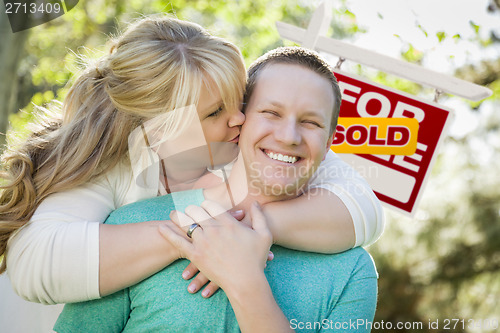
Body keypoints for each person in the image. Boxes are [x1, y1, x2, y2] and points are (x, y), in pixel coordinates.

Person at [0, 15, 382, 331]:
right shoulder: (109, 173)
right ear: (158, 132)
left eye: (239, 100)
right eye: (216, 112)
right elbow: (34, 265)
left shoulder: (251, 145)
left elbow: (364, 209)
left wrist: (239, 227)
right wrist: (199, 233)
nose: (239, 117)